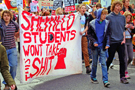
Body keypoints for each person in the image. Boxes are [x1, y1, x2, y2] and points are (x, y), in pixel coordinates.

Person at [106, 1, 129, 84]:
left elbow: (123, 29)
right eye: (117, 6)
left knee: (123, 60)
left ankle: (122, 77)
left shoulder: (122, 17)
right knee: (110, 59)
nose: (118, 7)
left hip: (121, 41)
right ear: (113, 7)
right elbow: (107, 30)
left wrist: (124, 39)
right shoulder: (108, 17)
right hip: (112, 41)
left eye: (120, 6)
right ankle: (105, 73)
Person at [88, 8, 111, 87]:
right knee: (94, 63)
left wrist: (108, 44)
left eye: (105, 14)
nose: (105, 16)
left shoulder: (107, 23)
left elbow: (108, 34)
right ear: (99, 14)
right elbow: (89, 34)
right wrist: (94, 42)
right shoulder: (92, 23)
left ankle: (105, 80)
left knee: (104, 63)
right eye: (103, 14)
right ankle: (93, 77)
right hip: (95, 47)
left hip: (103, 46)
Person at [0, 10, 19, 89]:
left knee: (14, 66)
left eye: (8, 15)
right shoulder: (0, 25)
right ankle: (7, 84)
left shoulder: (14, 25)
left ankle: (10, 82)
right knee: (5, 68)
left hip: (12, 48)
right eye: (4, 15)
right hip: (2, 49)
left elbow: (18, 31)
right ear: (2, 16)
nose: (6, 17)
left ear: (10, 16)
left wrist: (17, 35)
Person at [79, 4, 91, 74]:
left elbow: (87, 26)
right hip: (76, 37)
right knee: (76, 52)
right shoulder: (77, 16)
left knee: (85, 51)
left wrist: (83, 32)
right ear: (80, 9)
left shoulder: (86, 16)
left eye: (84, 8)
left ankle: (87, 66)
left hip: (83, 36)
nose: (83, 9)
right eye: (82, 8)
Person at [123, 11, 135, 79]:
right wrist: (125, 27)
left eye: (130, 18)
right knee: (125, 57)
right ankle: (125, 71)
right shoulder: (122, 23)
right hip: (124, 41)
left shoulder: (131, 23)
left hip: (129, 41)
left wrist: (133, 28)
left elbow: (133, 31)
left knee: (130, 57)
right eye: (127, 18)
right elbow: (120, 30)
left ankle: (125, 67)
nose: (129, 19)